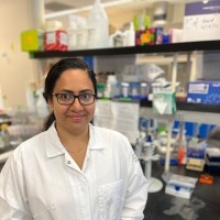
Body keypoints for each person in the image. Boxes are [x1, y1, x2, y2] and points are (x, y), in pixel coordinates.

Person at [0, 57, 148, 219]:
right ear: (50, 100)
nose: (77, 107)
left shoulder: (118, 144)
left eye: (85, 96)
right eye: (65, 96)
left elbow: (135, 198)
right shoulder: (22, 159)